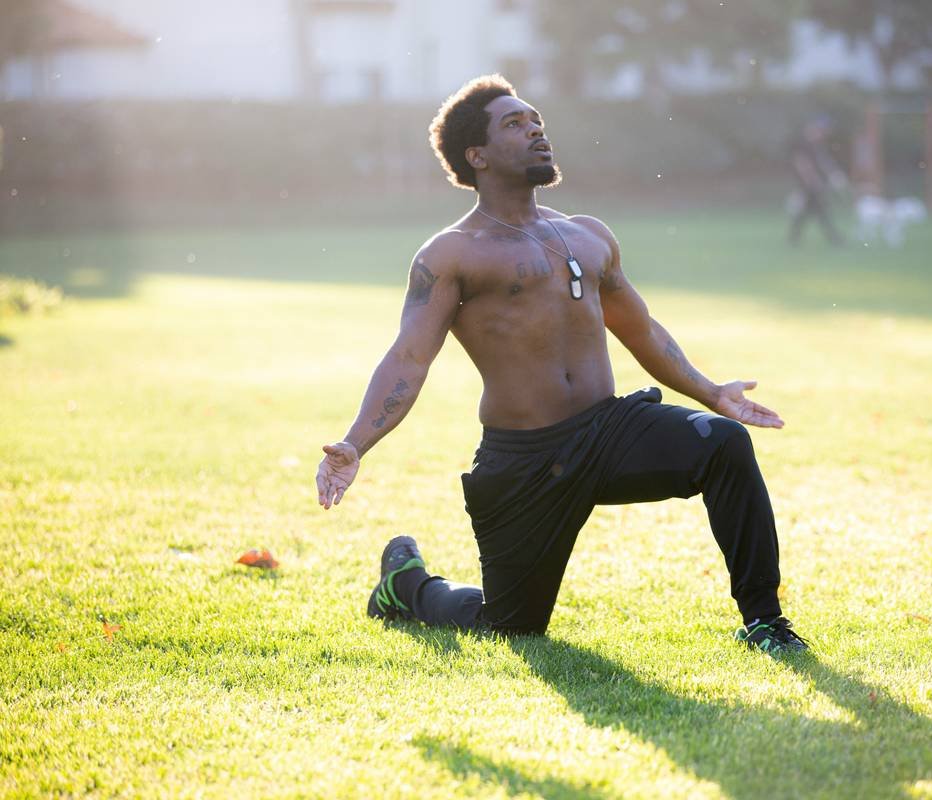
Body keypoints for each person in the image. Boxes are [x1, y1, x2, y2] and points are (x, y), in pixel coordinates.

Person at [314, 75, 809, 657]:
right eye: (514, 125)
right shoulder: (451, 254)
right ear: (477, 156)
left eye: (537, 122)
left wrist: (711, 394)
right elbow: (409, 357)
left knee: (722, 444)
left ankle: (764, 622)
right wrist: (355, 443)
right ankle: (408, 587)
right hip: (524, 459)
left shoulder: (589, 235)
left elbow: (640, 330)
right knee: (510, 626)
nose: (536, 131)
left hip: (610, 430)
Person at [786, 116, 847, 246]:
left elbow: (823, 163)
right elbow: (802, 164)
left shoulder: (817, 145)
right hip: (809, 185)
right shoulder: (803, 144)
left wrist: (833, 175)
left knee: (811, 212)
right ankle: (835, 239)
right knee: (820, 211)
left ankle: (793, 239)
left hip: (812, 185)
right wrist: (813, 180)